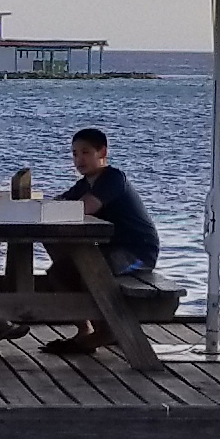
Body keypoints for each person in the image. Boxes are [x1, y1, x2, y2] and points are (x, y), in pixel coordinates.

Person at [43, 127, 158, 355]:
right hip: (110, 249)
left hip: (137, 253)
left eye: (86, 152)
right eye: (75, 154)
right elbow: (59, 203)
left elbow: (85, 208)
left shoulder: (113, 178)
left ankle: (107, 330)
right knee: (59, 272)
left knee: (89, 271)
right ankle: (86, 329)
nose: (79, 159)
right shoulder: (85, 183)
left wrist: (55, 208)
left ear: (102, 152)